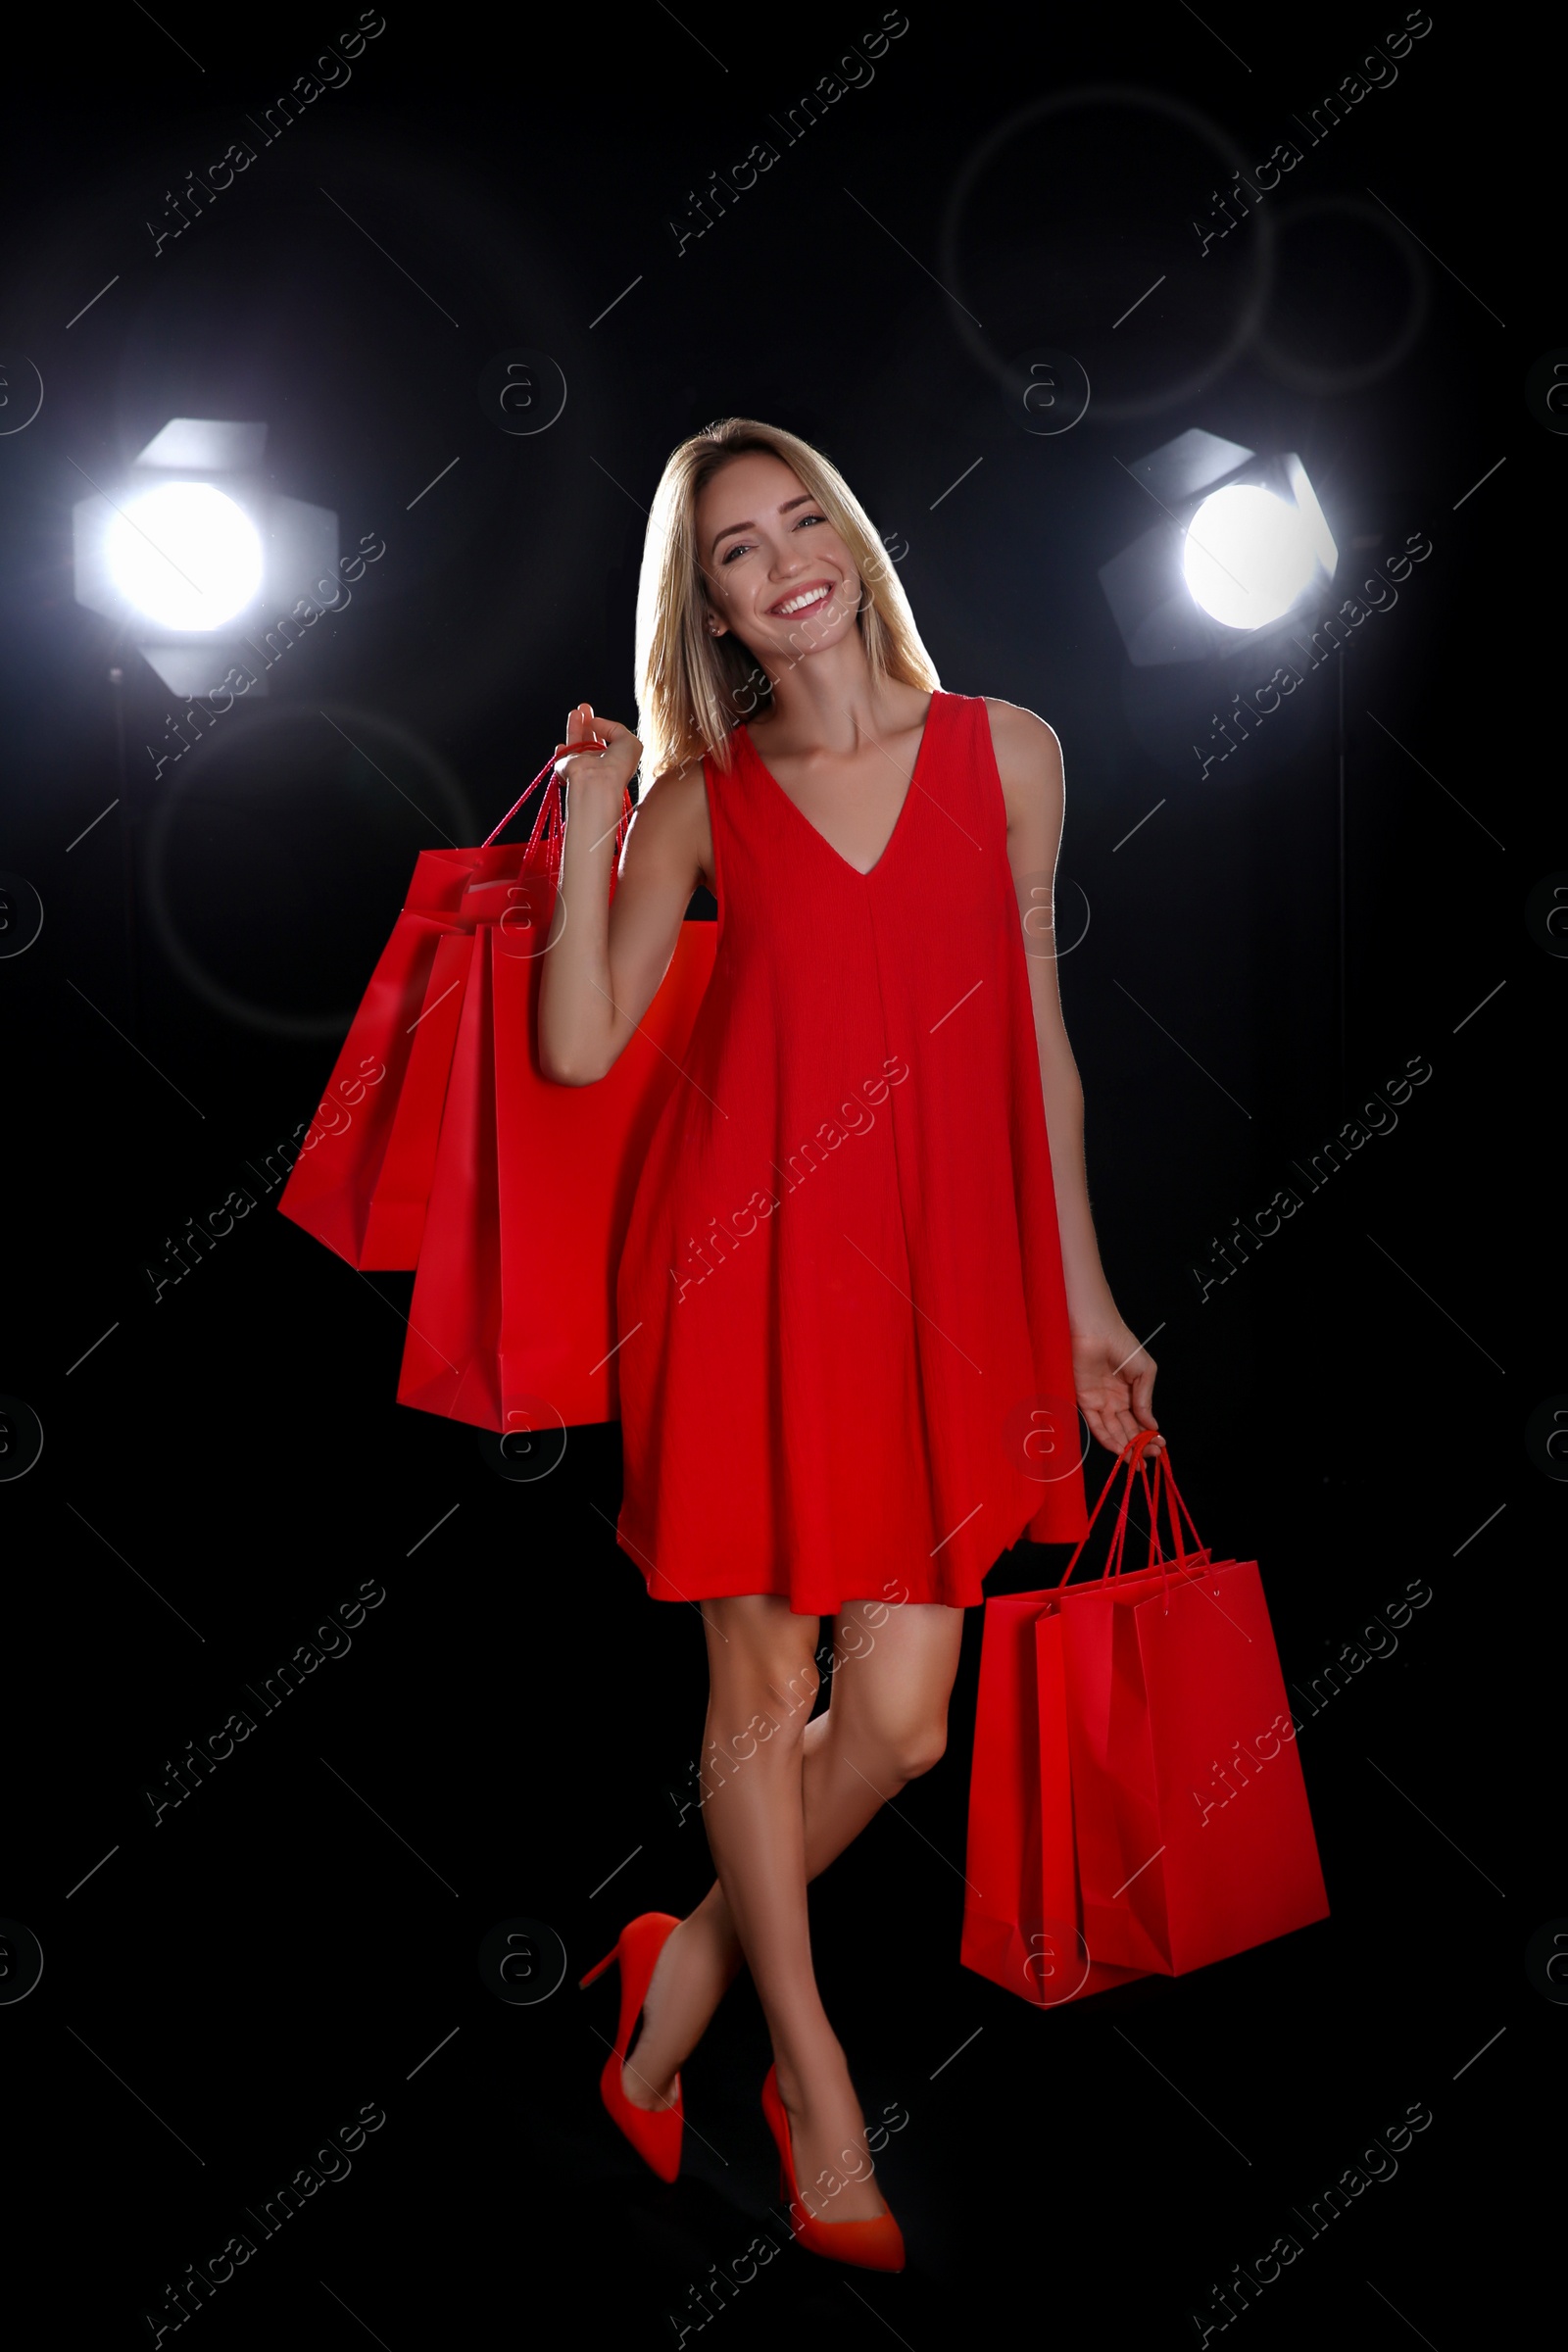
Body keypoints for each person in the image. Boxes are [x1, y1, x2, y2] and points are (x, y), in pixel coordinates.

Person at [540, 417, 1160, 2270]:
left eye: (806, 520)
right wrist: (589, 837)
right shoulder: (703, 805)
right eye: (739, 549)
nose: (785, 561)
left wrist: (1091, 1306)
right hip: (742, 1278)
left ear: (856, 543)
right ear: (710, 606)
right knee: (762, 1698)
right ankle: (808, 2083)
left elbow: (1038, 1058)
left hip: (952, 1293)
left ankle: (681, 1976)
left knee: (894, 1722)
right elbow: (579, 1049)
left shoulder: (1014, 755)